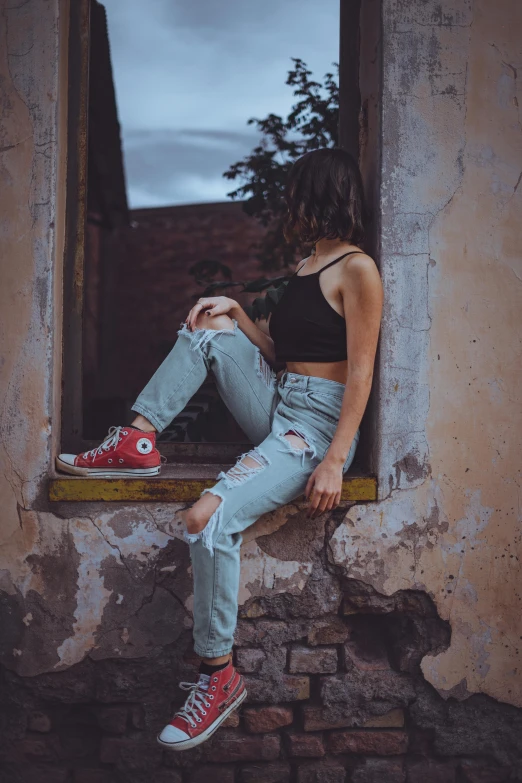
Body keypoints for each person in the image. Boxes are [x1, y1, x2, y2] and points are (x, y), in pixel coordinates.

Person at [57, 147, 383, 751]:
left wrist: (335, 459)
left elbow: (360, 372)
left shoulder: (358, 270)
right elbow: (283, 354)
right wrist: (236, 312)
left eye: (296, 192)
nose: (289, 204)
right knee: (208, 325)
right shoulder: (309, 262)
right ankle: (136, 438)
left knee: (205, 519)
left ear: (321, 194)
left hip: (312, 430)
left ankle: (219, 674)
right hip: (280, 400)